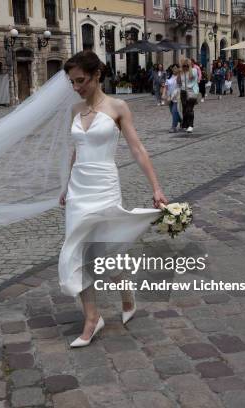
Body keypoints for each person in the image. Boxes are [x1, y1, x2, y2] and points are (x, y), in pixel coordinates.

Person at [60, 51, 168, 346]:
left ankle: (127, 292)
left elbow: (137, 150)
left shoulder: (118, 107)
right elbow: (76, 150)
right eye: (72, 82)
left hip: (105, 185)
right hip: (79, 188)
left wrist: (156, 188)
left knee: (104, 253)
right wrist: (67, 185)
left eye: (81, 80)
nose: (77, 87)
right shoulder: (74, 110)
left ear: (97, 75)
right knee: (79, 251)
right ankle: (92, 318)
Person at [179, 59, 198, 133]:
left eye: (187, 65)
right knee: (184, 109)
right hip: (183, 91)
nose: (185, 67)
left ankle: (191, 125)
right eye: (184, 66)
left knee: (189, 109)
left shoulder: (193, 71)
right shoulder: (181, 72)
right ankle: (185, 124)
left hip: (191, 91)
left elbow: (195, 79)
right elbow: (179, 82)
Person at [163, 67, 182, 133]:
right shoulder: (169, 77)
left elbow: (179, 82)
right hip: (170, 97)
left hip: (177, 96)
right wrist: (164, 94)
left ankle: (173, 127)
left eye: (176, 68)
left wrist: (179, 73)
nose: (174, 69)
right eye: (173, 68)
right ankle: (182, 121)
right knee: (173, 112)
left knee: (174, 111)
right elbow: (166, 86)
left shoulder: (180, 76)